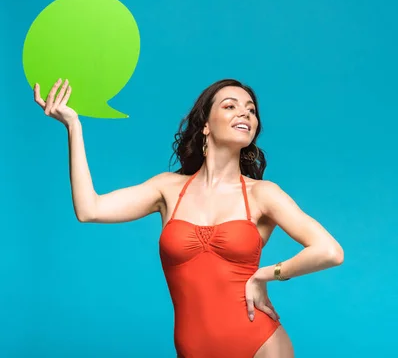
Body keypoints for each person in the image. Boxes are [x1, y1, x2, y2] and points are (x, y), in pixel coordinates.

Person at [33, 77, 344, 358]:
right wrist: (73, 127)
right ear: (206, 124)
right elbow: (90, 210)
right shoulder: (167, 189)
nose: (245, 114)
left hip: (261, 346)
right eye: (230, 106)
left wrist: (266, 274)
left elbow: (329, 252)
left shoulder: (263, 194)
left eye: (251, 110)